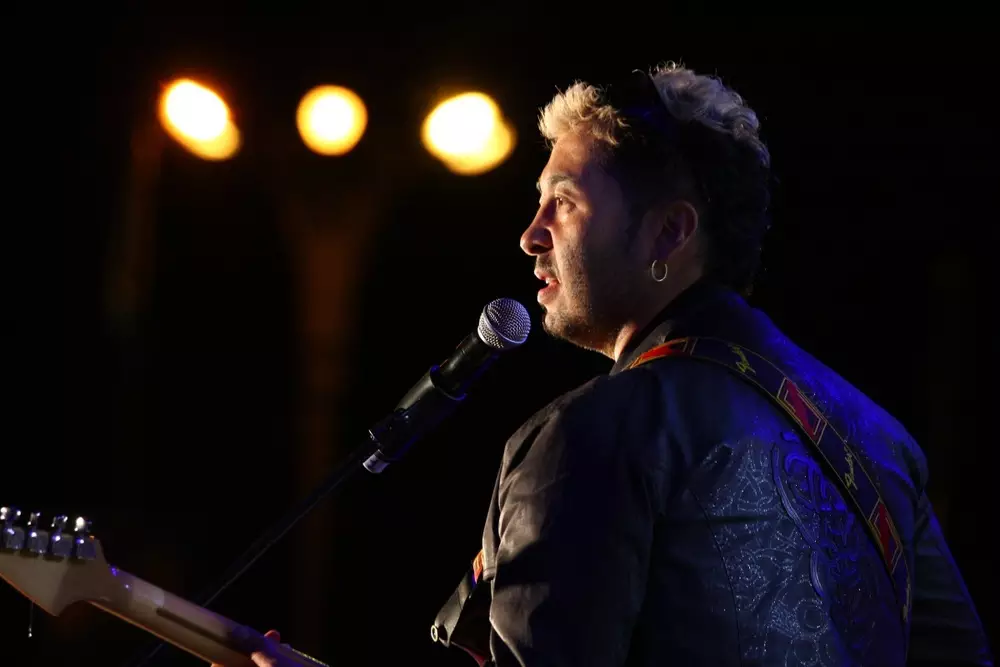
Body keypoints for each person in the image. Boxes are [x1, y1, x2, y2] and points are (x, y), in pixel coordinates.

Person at [226, 63, 992, 666]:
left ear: (668, 234)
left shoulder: (590, 430)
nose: (531, 233)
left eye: (563, 201)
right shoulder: (881, 442)